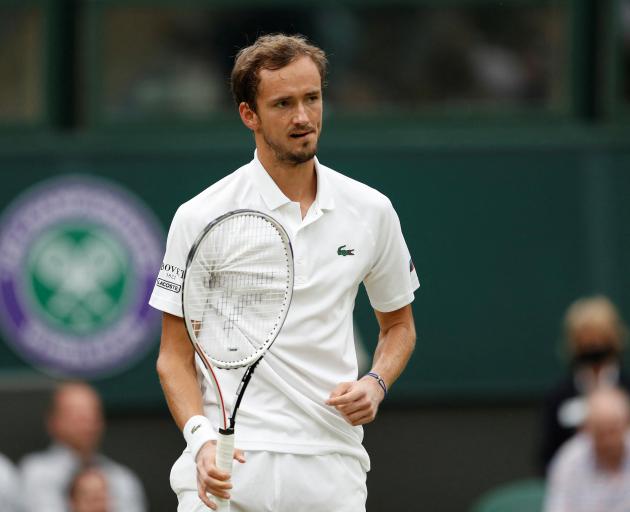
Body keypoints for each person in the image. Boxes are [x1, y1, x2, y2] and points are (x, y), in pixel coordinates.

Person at [150, 33, 418, 512]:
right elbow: (174, 356)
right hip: (229, 462)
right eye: (283, 103)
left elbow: (398, 326)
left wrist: (375, 383)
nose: (302, 117)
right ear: (248, 114)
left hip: (330, 464)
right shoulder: (199, 217)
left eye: (312, 99)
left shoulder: (372, 211)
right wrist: (201, 438)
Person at [19, 382, 146, 512]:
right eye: (76, 416)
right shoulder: (35, 473)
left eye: (92, 415)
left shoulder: (122, 479)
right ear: (53, 421)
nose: (87, 423)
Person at [539, 295, 630, 472]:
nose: (593, 345)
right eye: (586, 340)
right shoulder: (559, 395)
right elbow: (546, 457)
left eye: (600, 338)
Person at [543, 387, 630, 512]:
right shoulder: (569, 460)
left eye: (613, 431)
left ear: (626, 425)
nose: (608, 441)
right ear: (586, 430)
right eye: (600, 433)